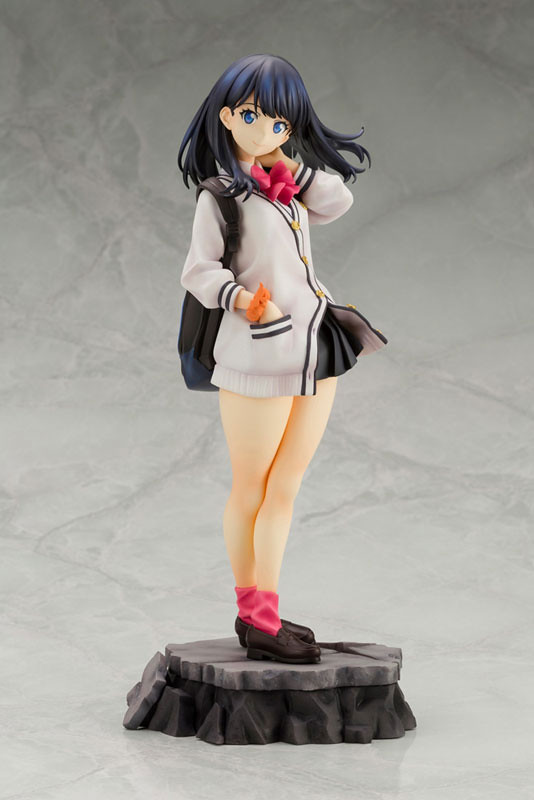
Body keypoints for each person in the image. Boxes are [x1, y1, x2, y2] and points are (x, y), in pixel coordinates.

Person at [177, 53, 387, 664]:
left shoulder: (286, 184)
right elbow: (198, 271)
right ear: (226, 117)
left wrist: (286, 163)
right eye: (251, 116)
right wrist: (241, 299)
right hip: (257, 354)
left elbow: (338, 202)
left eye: (280, 121)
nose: (265, 129)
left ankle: (264, 613)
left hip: (315, 348)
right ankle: (256, 615)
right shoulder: (221, 198)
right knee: (252, 486)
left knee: (286, 485)